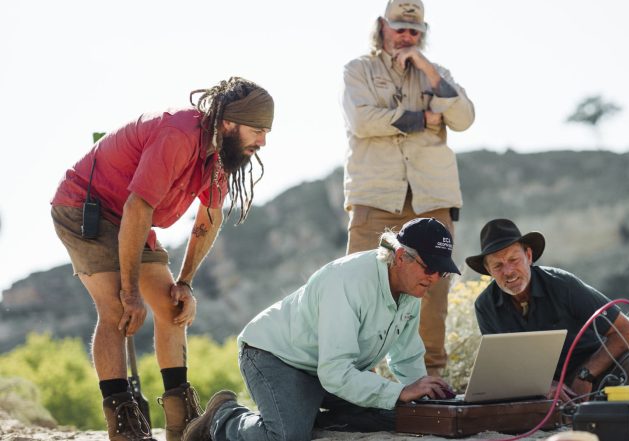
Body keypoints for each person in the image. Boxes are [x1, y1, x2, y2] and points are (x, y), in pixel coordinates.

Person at [50, 77, 274, 441]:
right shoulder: (179, 135)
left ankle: (181, 423)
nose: (263, 142)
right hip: (84, 207)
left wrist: (184, 282)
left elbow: (209, 217)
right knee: (118, 309)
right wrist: (130, 291)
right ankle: (123, 419)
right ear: (229, 123)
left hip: (131, 218)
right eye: (258, 130)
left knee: (172, 308)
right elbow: (139, 206)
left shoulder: (221, 154)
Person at [183, 218, 458, 441]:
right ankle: (223, 418)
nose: (434, 278)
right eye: (429, 267)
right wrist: (398, 392)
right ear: (401, 256)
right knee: (287, 435)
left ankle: (305, 411)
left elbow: (406, 357)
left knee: (396, 416)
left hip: (328, 370)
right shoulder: (347, 281)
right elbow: (335, 372)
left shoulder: (412, 288)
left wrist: (423, 398)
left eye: (441, 271)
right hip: (274, 356)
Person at [340, 0, 475, 377]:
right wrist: (424, 118)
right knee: (361, 287)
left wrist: (428, 70)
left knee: (433, 294)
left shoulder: (436, 74)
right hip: (375, 197)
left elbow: (464, 118)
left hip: (433, 199)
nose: (406, 36)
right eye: (399, 27)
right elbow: (363, 121)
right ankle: (350, 379)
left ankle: (431, 379)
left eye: (415, 31)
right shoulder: (358, 70)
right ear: (382, 25)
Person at [466, 219, 629, 401]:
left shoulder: (563, 285)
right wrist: (544, 385)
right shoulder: (485, 306)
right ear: (488, 270)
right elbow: (504, 366)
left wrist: (586, 375)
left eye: (513, 260)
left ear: (529, 256)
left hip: (595, 372)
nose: (508, 271)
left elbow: (626, 330)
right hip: (537, 390)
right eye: (498, 266)